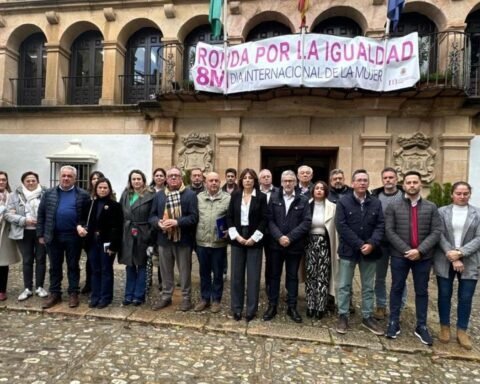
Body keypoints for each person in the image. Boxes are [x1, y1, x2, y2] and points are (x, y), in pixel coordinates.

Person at [385, 170, 442, 346]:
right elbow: (389, 230)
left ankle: (421, 325)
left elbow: (436, 231)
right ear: (404, 185)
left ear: (420, 184)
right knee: (396, 287)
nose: (411, 185)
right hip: (399, 256)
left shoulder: (431, 207)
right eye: (408, 182)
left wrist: (420, 250)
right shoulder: (394, 206)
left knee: (422, 291)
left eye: (415, 182)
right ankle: (393, 321)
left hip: (423, 257)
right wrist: (407, 250)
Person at [335, 169, 384, 336]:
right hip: (348, 250)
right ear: (353, 183)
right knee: (344, 286)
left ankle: (367, 316)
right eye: (359, 180)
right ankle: (343, 315)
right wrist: (359, 244)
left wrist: (371, 243)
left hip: (370, 251)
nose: (362, 183)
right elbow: (341, 226)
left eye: (365, 180)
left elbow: (380, 226)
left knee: (368, 286)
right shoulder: (344, 202)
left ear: (368, 183)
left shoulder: (376, 203)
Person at [433, 181, 480, 350]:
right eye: (458, 193)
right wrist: (452, 255)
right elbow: (438, 234)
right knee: (444, 294)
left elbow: (479, 238)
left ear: (469, 194)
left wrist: (460, 253)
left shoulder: (477, 213)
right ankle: (444, 327)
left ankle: (462, 330)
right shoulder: (441, 212)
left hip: (469, 260)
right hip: (445, 259)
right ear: (452, 194)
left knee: (466, 297)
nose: (462, 196)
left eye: (465, 193)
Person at [37, 165, 90, 309]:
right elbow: (41, 214)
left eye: (69, 176)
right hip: (53, 236)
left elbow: (87, 218)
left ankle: (73, 293)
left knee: (73, 265)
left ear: (75, 178)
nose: (66, 178)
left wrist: (82, 227)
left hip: (74, 237)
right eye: (64, 175)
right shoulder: (49, 193)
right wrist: (40, 234)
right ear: (60, 177)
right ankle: (55, 293)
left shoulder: (83, 195)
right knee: (54, 266)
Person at [264, 170, 311, 323]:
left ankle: (292, 307)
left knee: (292, 277)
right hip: (275, 246)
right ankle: (272, 305)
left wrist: (289, 238)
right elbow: (269, 220)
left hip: (294, 246)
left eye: (291, 180)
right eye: (285, 181)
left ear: (295, 182)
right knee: (274, 276)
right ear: (281, 182)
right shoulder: (273, 197)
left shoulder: (303, 200)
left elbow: (306, 222)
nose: (288, 183)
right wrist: (279, 237)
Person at [150, 166, 198, 311]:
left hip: (183, 239)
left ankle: (186, 298)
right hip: (164, 239)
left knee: (184, 271)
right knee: (165, 271)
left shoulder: (189, 195)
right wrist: (158, 223)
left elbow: (194, 217)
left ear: (181, 178)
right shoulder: (159, 196)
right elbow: (151, 216)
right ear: (166, 178)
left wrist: (177, 222)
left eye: (176, 175)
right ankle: (166, 296)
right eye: (170, 176)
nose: (173, 178)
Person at [227, 168, 267, 322]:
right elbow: (229, 216)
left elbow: (264, 219)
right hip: (237, 237)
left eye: (251, 178)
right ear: (241, 180)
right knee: (236, 276)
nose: (248, 180)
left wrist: (254, 238)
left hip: (254, 239)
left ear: (255, 181)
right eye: (245, 178)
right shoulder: (235, 195)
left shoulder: (261, 197)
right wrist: (236, 236)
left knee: (253, 277)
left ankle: (251, 310)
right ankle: (236, 309)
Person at [77, 178, 123, 309]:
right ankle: (95, 295)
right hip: (92, 241)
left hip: (107, 243)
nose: (102, 190)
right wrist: (80, 227)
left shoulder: (115, 206)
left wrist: (114, 246)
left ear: (109, 189)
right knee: (95, 269)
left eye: (105, 188)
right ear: (95, 189)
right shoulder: (89, 204)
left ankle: (106, 297)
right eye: (100, 188)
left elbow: (117, 228)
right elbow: (81, 220)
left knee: (106, 269)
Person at [5, 171, 47, 301]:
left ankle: (40, 286)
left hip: (41, 231)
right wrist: (24, 220)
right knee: (27, 260)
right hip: (23, 231)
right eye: (28, 180)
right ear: (23, 182)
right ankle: (27, 288)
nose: (30, 183)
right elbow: (8, 214)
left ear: (37, 181)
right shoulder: (13, 195)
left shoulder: (46, 193)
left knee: (41, 259)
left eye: (33, 180)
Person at [370, 167, 406, 320]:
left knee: (399, 277)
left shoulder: (405, 196)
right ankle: (381, 305)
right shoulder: (375, 196)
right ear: (382, 179)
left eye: (391, 177)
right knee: (379, 277)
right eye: (385, 178)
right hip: (381, 242)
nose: (388, 180)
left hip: (400, 242)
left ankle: (399, 306)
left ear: (396, 179)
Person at [194, 172, 231, 313]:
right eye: (211, 181)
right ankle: (204, 299)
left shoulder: (227, 198)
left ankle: (216, 300)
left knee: (218, 273)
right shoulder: (198, 198)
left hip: (218, 243)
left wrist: (229, 230)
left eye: (216, 180)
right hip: (202, 242)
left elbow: (231, 218)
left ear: (219, 182)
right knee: (204, 273)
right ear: (206, 183)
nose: (214, 183)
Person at [118, 169, 155, 306]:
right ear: (130, 181)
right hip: (127, 233)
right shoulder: (126, 194)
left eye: (139, 179)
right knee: (130, 265)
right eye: (133, 179)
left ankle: (138, 296)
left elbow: (153, 216)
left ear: (143, 180)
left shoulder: (151, 195)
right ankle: (128, 294)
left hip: (143, 232)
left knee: (142, 265)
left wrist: (151, 238)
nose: (136, 181)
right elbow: (120, 213)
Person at [305, 180, 337, 319]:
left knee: (322, 275)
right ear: (313, 191)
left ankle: (321, 306)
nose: (319, 190)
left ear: (325, 191)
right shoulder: (306, 205)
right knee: (311, 274)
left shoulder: (332, 207)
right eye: (316, 188)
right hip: (309, 242)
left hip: (324, 242)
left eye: (322, 188)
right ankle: (311, 304)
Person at [81, 170, 105, 295]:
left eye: (98, 178)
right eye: (93, 178)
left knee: (102, 260)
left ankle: (100, 284)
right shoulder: (86, 195)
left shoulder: (107, 192)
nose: (96, 180)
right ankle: (89, 283)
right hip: (88, 233)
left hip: (102, 233)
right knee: (90, 260)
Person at [0, 171, 20, 301]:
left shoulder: (12, 196)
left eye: (3, 180)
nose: (1, 182)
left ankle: (2, 290)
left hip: (4, 232)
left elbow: (15, 211)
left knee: (2, 263)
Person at [258, 168, 278, 295]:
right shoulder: (254, 191)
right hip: (258, 230)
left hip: (271, 232)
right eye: (264, 176)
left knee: (271, 260)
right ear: (259, 179)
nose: (266, 178)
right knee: (255, 259)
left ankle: (269, 286)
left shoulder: (278, 192)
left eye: (268, 176)